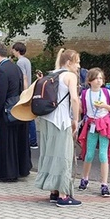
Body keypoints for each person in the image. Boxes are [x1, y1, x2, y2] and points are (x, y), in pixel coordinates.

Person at [34, 48, 81, 207]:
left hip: (47, 119)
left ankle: (53, 191)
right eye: (77, 62)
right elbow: (74, 99)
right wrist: (76, 119)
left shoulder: (52, 74)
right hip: (61, 121)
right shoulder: (70, 76)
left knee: (50, 153)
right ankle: (63, 195)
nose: (78, 66)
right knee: (64, 155)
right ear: (69, 62)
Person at [0, 44, 31, 183]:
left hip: (7, 109)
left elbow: (1, 93)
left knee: (7, 142)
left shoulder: (1, 70)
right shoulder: (16, 67)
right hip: (18, 107)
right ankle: (21, 169)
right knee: (18, 141)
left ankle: (8, 173)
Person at [76, 68, 110, 197]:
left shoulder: (106, 93)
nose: (99, 81)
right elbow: (81, 109)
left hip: (104, 125)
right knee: (88, 154)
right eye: (96, 78)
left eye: (101, 78)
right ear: (89, 81)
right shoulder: (84, 94)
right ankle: (84, 178)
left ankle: (104, 184)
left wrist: (104, 106)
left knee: (102, 154)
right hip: (91, 124)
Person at [12, 42, 37, 149]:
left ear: (17, 50)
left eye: (13, 49)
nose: (12, 51)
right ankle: (33, 140)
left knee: (25, 116)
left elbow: (24, 77)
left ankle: (30, 140)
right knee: (29, 116)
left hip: (25, 90)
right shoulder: (26, 60)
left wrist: (25, 92)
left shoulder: (20, 62)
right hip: (29, 89)